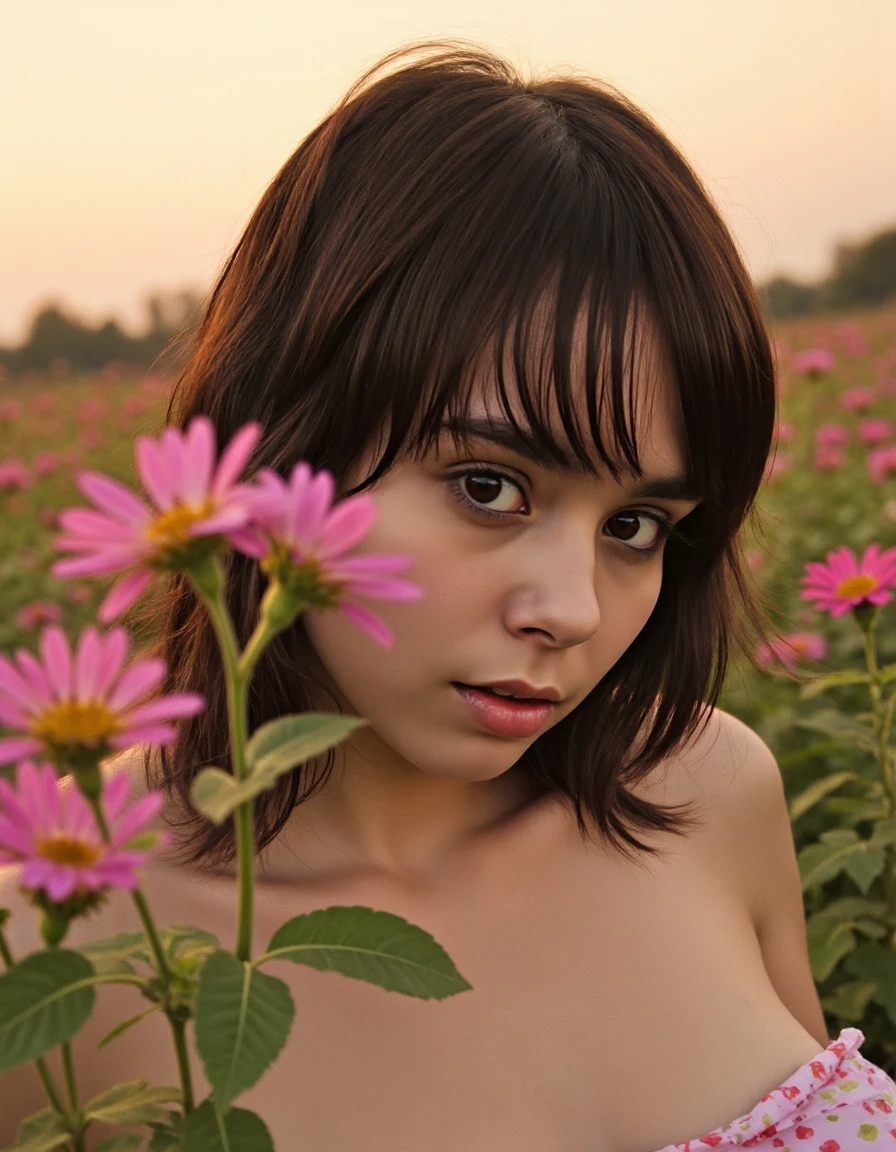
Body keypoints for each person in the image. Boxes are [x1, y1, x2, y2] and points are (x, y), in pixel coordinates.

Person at [2, 38, 895, 1152]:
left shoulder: (713, 794)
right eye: (489, 486)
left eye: (636, 526)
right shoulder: (63, 946)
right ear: (280, 441)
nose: (570, 609)